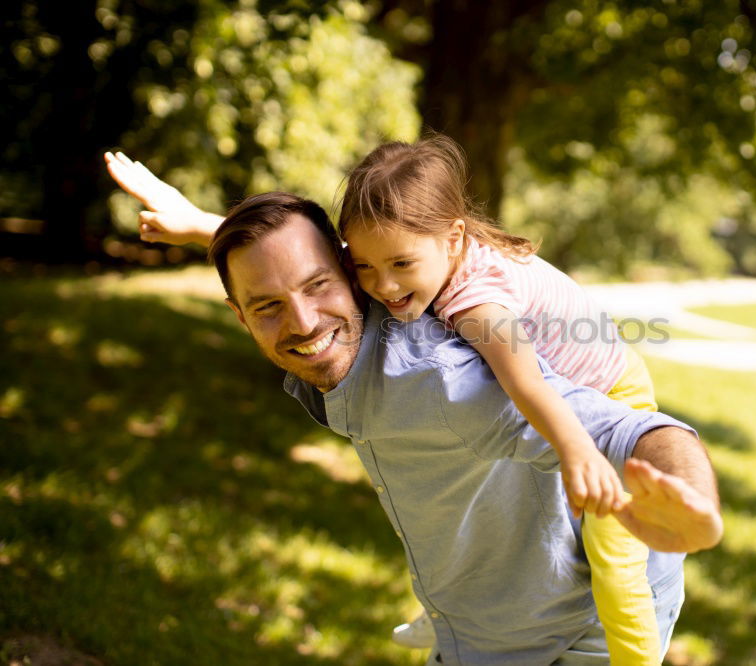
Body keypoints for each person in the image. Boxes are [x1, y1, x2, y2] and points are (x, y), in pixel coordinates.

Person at [103, 153, 724, 664]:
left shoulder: (450, 369)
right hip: (492, 622)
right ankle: (447, 611)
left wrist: (687, 500)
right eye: (266, 305)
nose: (302, 318)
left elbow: (633, 429)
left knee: (620, 571)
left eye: (320, 288)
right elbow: (292, 264)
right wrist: (195, 224)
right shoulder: (383, 273)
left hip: (566, 633)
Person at [337, 135, 666, 664]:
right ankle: (458, 617)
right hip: (559, 385)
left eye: (400, 264)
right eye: (365, 267)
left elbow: (528, 386)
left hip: (610, 393)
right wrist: (202, 228)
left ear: (453, 237)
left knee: (615, 554)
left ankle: (635, 657)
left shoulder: (478, 306)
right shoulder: (434, 252)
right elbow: (308, 259)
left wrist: (580, 451)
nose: (383, 285)